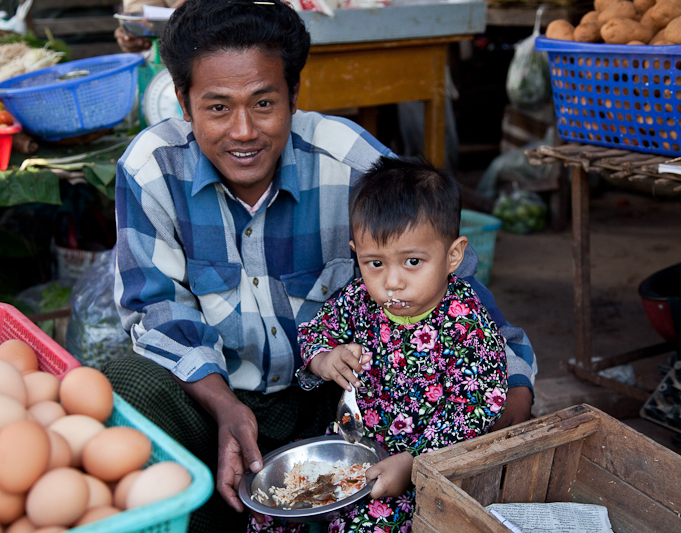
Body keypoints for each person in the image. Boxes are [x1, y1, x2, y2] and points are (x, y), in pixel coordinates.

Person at [106, 1, 537, 531]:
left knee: (418, 381)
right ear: (183, 102)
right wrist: (224, 407)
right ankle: (198, 510)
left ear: (293, 96)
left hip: (334, 406)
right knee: (126, 384)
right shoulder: (151, 169)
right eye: (217, 108)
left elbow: (459, 295)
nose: (243, 131)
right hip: (216, 395)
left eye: (264, 103)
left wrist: (503, 414)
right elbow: (156, 309)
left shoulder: (352, 162)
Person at [249, 156, 508, 532]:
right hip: (350, 447)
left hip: (423, 471)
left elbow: (478, 406)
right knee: (268, 513)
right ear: (356, 252)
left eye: (413, 261)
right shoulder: (358, 300)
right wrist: (325, 359)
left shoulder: (466, 324)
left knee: (366, 526)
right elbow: (317, 331)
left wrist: (414, 463)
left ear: (453, 255)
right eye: (375, 264)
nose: (392, 282)